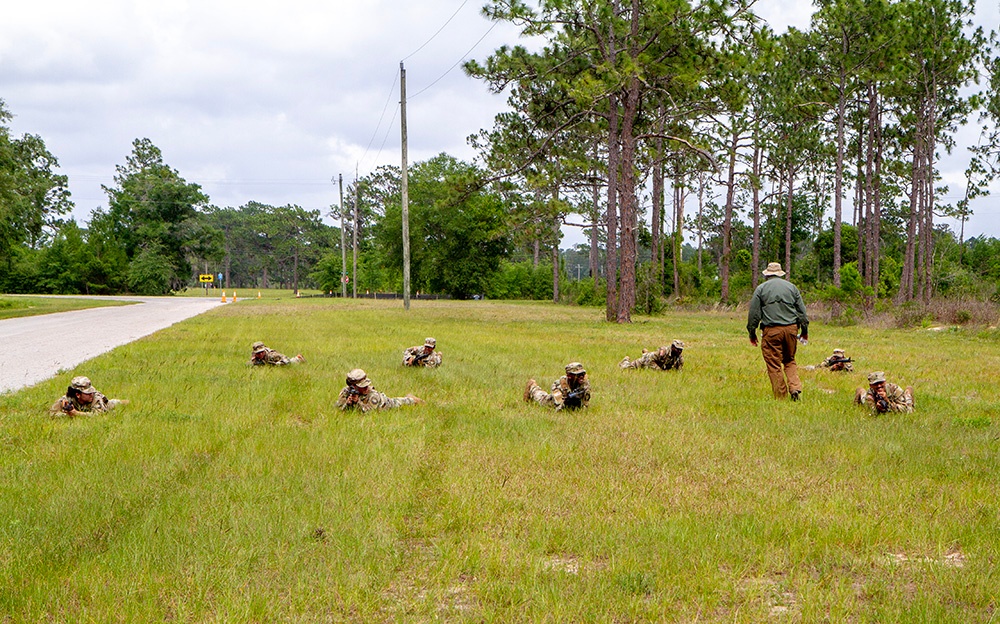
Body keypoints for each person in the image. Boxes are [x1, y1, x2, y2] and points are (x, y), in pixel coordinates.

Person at [747, 262, 809, 400]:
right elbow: (802, 313)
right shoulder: (792, 288)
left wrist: (752, 333)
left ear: (767, 274)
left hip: (772, 330)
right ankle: (795, 388)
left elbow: (754, 314)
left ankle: (781, 397)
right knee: (789, 360)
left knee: (774, 364)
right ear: (780, 273)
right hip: (792, 329)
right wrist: (804, 330)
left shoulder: (761, 289)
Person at [336, 368, 423, 412]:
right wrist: (348, 404)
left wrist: (358, 402)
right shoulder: (346, 392)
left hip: (385, 404)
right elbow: (339, 408)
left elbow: (369, 413)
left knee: (400, 402)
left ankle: (413, 399)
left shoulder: (373, 395)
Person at [524, 362, 591, 411]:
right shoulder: (559, 385)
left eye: (583, 374)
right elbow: (559, 409)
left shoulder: (584, 383)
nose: (581, 376)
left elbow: (585, 404)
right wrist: (567, 402)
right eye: (578, 375)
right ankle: (532, 385)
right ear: (569, 376)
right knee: (541, 398)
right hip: (553, 402)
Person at [50, 376, 127, 417]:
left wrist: (76, 414)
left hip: (106, 405)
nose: (91, 394)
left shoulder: (96, 398)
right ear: (78, 395)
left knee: (117, 403)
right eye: (88, 393)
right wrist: (66, 414)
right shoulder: (67, 399)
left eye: (91, 392)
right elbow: (52, 414)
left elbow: (99, 416)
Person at [619, 340, 684, 371]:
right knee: (627, 368)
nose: (679, 351)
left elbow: (678, 370)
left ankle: (645, 352)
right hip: (646, 360)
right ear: (672, 347)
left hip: (656, 361)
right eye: (677, 349)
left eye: (680, 350)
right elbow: (650, 361)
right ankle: (625, 360)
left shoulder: (679, 358)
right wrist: (659, 370)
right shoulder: (663, 352)